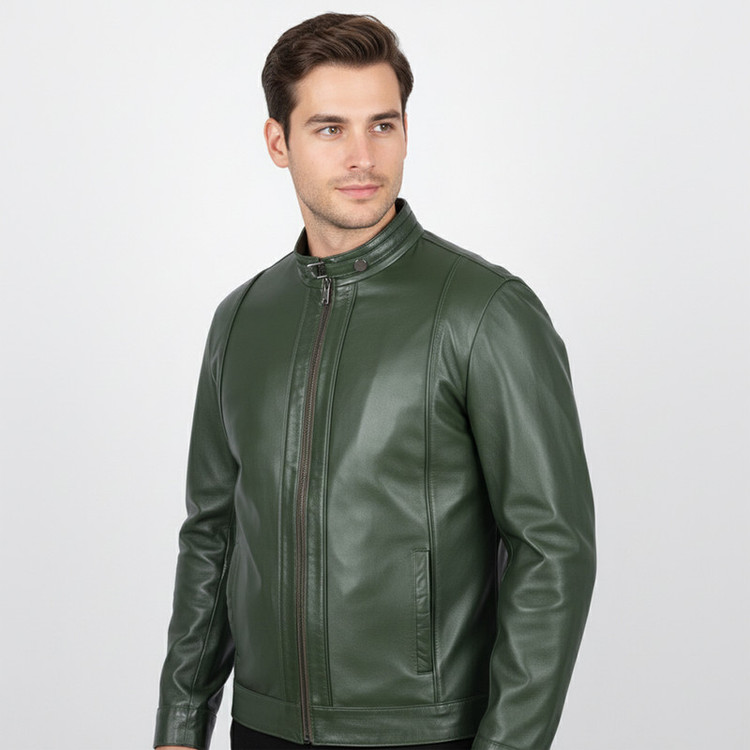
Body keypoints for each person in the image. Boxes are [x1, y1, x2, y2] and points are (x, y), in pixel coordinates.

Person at [154, 12, 596, 750]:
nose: (362, 156)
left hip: (424, 731)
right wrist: (179, 725)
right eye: (330, 128)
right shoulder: (241, 319)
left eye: (382, 125)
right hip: (262, 728)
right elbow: (213, 535)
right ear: (278, 142)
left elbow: (554, 549)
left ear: (406, 131)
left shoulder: (484, 311)